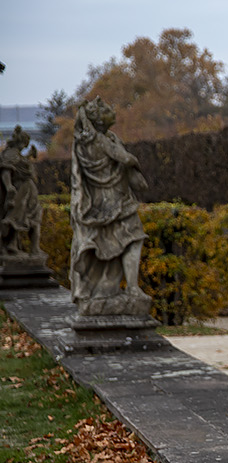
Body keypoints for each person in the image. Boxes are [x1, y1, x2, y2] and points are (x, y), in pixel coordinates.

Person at [69, 97, 149, 315]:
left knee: (106, 247)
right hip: (116, 203)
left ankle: (101, 291)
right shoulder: (102, 141)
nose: (111, 110)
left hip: (95, 205)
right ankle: (131, 288)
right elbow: (125, 159)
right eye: (105, 109)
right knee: (134, 238)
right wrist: (134, 162)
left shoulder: (83, 142)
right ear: (98, 119)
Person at [0, 127, 41, 255]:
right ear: (22, 142)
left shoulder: (16, 154)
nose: (25, 146)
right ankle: (10, 244)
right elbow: (6, 169)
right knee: (18, 217)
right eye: (25, 143)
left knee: (29, 218)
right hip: (21, 191)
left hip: (27, 192)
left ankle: (16, 245)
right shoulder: (11, 153)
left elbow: (19, 163)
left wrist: (29, 156)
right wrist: (9, 187)